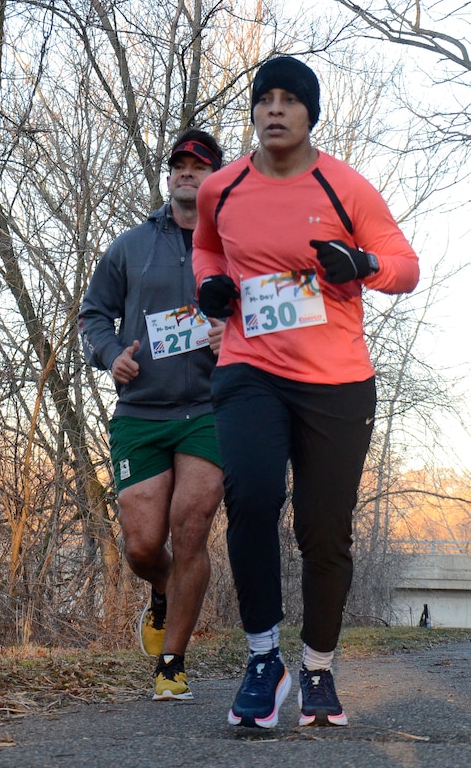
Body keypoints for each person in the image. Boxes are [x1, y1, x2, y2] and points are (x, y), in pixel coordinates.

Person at [193, 56, 419, 729]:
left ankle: (318, 665)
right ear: (255, 112)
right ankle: (265, 657)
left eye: (290, 100)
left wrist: (364, 264)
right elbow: (208, 249)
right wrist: (209, 288)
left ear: (310, 114)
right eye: (265, 99)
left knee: (324, 531)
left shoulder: (345, 186)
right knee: (252, 495)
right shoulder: (222, 188)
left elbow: (405, 266)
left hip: (336, 380)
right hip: (248, 366)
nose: (275, 109)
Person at [79, 128, 225, 701]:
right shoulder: (130, 246)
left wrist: (229, 335)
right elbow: (93, 315)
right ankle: (166, 594)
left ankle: (172, 663)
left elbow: (264, 313)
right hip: (142, 410)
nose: (187, 172)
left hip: (212, 407)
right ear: (169, 177)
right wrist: (112, 355)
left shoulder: (235, 244)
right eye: (179, 165)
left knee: (192, 526)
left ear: (215, 178)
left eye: (199, 165)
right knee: (143, 544)